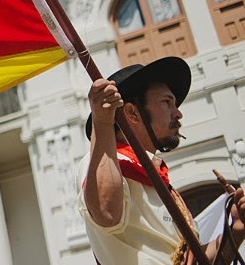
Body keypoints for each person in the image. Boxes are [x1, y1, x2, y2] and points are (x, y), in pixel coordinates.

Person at [79, 56, 245, 264]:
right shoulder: (102, 162)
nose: (178, 113)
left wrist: (236, 230)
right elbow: (106, 213)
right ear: (132, 112)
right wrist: (102, 123)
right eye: (167, 102)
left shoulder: (161, 182)